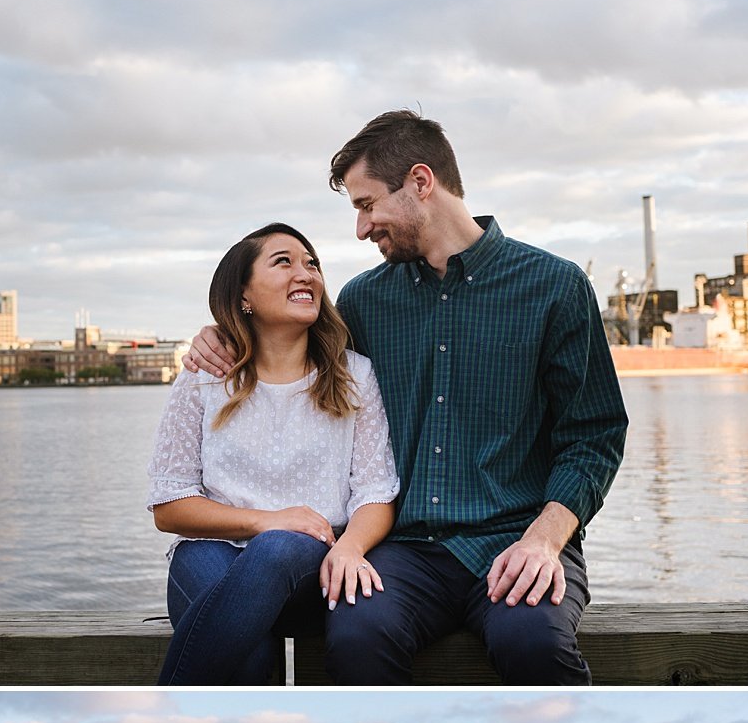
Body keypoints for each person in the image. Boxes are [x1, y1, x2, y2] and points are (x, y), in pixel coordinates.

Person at [185, 115, 628, 685]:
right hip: (405, 551)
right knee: (354, 635)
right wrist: (220, 333)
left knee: (534, 644)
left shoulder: (554, 285)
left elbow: (594, 435)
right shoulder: (364, 300)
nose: (362, 228)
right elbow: (292, 350)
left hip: (520, 538)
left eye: (367, 204)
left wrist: (545, 540)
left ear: (421, 182)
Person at [147, 223, 399, 684]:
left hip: (311, 568)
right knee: (250, 654)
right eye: (283, 261)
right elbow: (169, 506)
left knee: (279, 548)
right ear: (244, 293)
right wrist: (267, 519)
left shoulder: (354, 375)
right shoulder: (205, 377)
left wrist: (350, 548)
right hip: (212, 552)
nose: (306, 274)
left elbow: (375, 493)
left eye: (312, 264)